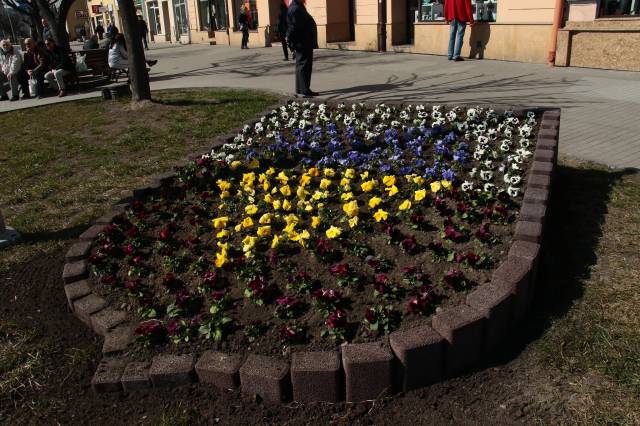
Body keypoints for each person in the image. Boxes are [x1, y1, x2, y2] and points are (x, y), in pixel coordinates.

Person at [287, 0, 318, 97]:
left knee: (300, 65)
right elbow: (294, 28)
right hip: (303, 42)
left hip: (303, 41)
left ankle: (300, 88)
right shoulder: (296, 8)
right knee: (304, 65)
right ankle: (305, 90)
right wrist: (291, 43)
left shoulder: (297, 6)